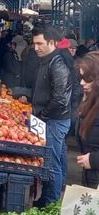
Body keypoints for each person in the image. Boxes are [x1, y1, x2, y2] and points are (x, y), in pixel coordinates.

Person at [24, 25, 72, 207]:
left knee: (51, 164)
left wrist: (42, 115)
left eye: (39, 43)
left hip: (54, 120)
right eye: (34, 44)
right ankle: (50, 199)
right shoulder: (48, 60)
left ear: (52, 42)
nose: (36, 48)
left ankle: (50, 202)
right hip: (53, 118)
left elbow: (60, 98)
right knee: (56, 160)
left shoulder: (57, 63)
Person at [75, 52, 99, 188]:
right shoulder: (91, 101)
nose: (81, 82)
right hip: (91, 178)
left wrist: (93, 160)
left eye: (86, 78)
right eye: (81, 77)